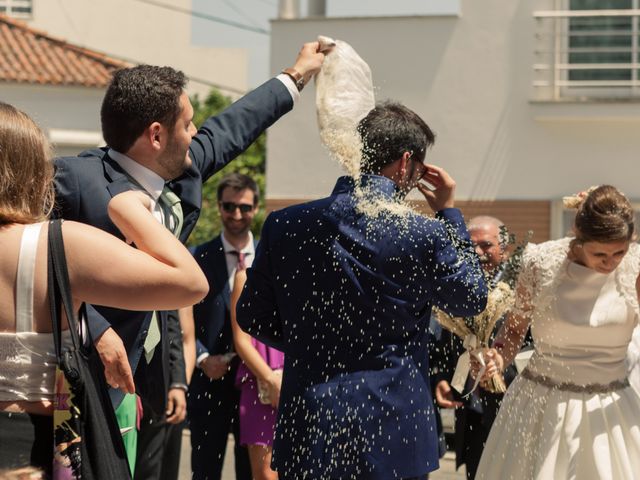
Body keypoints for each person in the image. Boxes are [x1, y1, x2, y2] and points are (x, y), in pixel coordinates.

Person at [53, 42, 325, 474]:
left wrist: (297, 74)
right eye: (188, 123)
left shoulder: (180, 172)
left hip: (151, 381)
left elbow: (234, 127)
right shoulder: (75, 180)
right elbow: (30, 258)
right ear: (157, 135)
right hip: (83, 377)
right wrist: (94, 329)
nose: (196, 132)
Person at [237, 102, 488, 479]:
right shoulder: (425, 233)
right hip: (395, 422)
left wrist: (312, 344)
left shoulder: (285, 224)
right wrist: (449, 214)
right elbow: (472, 297)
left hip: (311, 417)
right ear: (406, 163)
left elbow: (252, 315)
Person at [0, 102, 208, 474]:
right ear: (30, 169)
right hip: (29, 453)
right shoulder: (57, 244)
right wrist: (128, 211)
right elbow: (190, 283)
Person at [475, 185, 640, 479]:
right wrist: (497, 359)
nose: (610, 262)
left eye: (619, 252)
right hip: (541, 403)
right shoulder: (540, 263)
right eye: (599, 253)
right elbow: (514, 331)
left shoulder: (635, 267)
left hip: (611, 406)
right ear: (579, 236)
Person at [430, 216, 523, 479]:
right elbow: (440, 345)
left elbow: (532, 345)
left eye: (486, 245)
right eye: (471, 247)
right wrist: (442, 379)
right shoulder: (452, 291)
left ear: (503, 250)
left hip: (512, 408)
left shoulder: (520, 289)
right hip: (470, 412)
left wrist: (500, 367)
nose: (478, 253)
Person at [184, 173, 261, 480]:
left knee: (251, 471)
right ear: (219, 207)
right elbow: (181, 319)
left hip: (256, 383)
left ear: (255, 208)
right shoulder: (197, 257)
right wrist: (202, 359)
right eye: (229, 206)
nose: (237, 214)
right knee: (205, 470)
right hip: (210, 382)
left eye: (244, 207)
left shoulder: (270, 256)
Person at [231, 268, 284, 480]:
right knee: (265, 474)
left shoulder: (305, 270)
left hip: (298, 379)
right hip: (258, 383)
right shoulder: (245, 277)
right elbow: (241, 341)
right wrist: (271, 380)